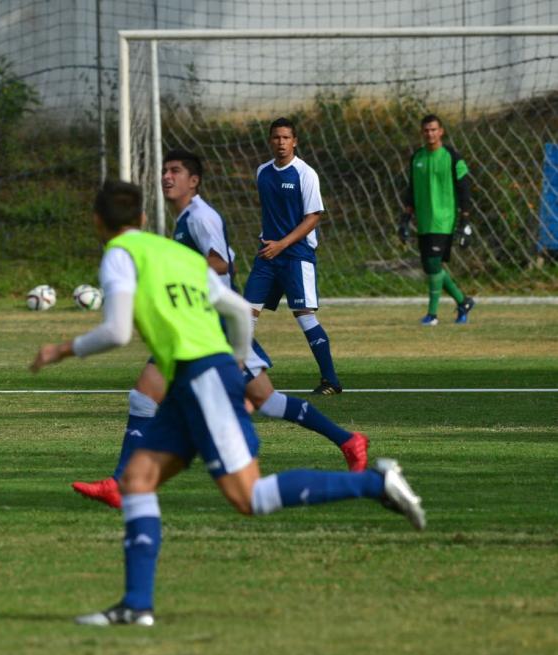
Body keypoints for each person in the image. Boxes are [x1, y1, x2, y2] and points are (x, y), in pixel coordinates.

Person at [31, 180, 425, 626]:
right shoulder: (178, 254)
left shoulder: (120, 256)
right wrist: (237, 367)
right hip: (196, 379)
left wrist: (62, 350)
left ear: (97, 223)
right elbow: (238, 311)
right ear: (143, 218)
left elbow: (118, 332)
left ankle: (377, 484)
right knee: (138, 481)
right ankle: (135, 606)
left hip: (199, 378)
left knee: (249, 497)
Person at [72, 150, 368, 510]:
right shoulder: (186, 219)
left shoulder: (200, 216)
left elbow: (221, 262)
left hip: (212, 326)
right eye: (164, 171)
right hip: (202, 324)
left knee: (149, 397)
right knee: (267, 401)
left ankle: (122, 482)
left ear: (193, 181)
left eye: (175, 171)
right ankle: (348, 441)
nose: (167, 177)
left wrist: (174, 271)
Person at [244, 117, 342, 395]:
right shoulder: (262, 171)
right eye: (276, 137)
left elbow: (313, 217)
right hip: (267, 255)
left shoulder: (305, 174)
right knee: (242, 317)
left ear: (295, 141)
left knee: (304, 316)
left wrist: (282, 244)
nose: (281, 143)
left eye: (286, 138)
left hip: (296, 255)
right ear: (270, 140)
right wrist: (270, 243)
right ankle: (252, 369)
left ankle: (331, 381)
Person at [398, 114, 475, 326]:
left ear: (441, 131)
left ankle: (432, 315)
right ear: (422, 133)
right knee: (430, 266)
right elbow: (411, 191)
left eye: (433, 129)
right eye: (426, 130)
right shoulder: (417, 158)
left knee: (433, 264)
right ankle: (463, 301)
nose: (430, 133)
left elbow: (464, 189)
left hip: (444, 219)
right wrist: (405, 219)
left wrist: (465, 220)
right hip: (424, 220)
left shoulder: (453, 156)